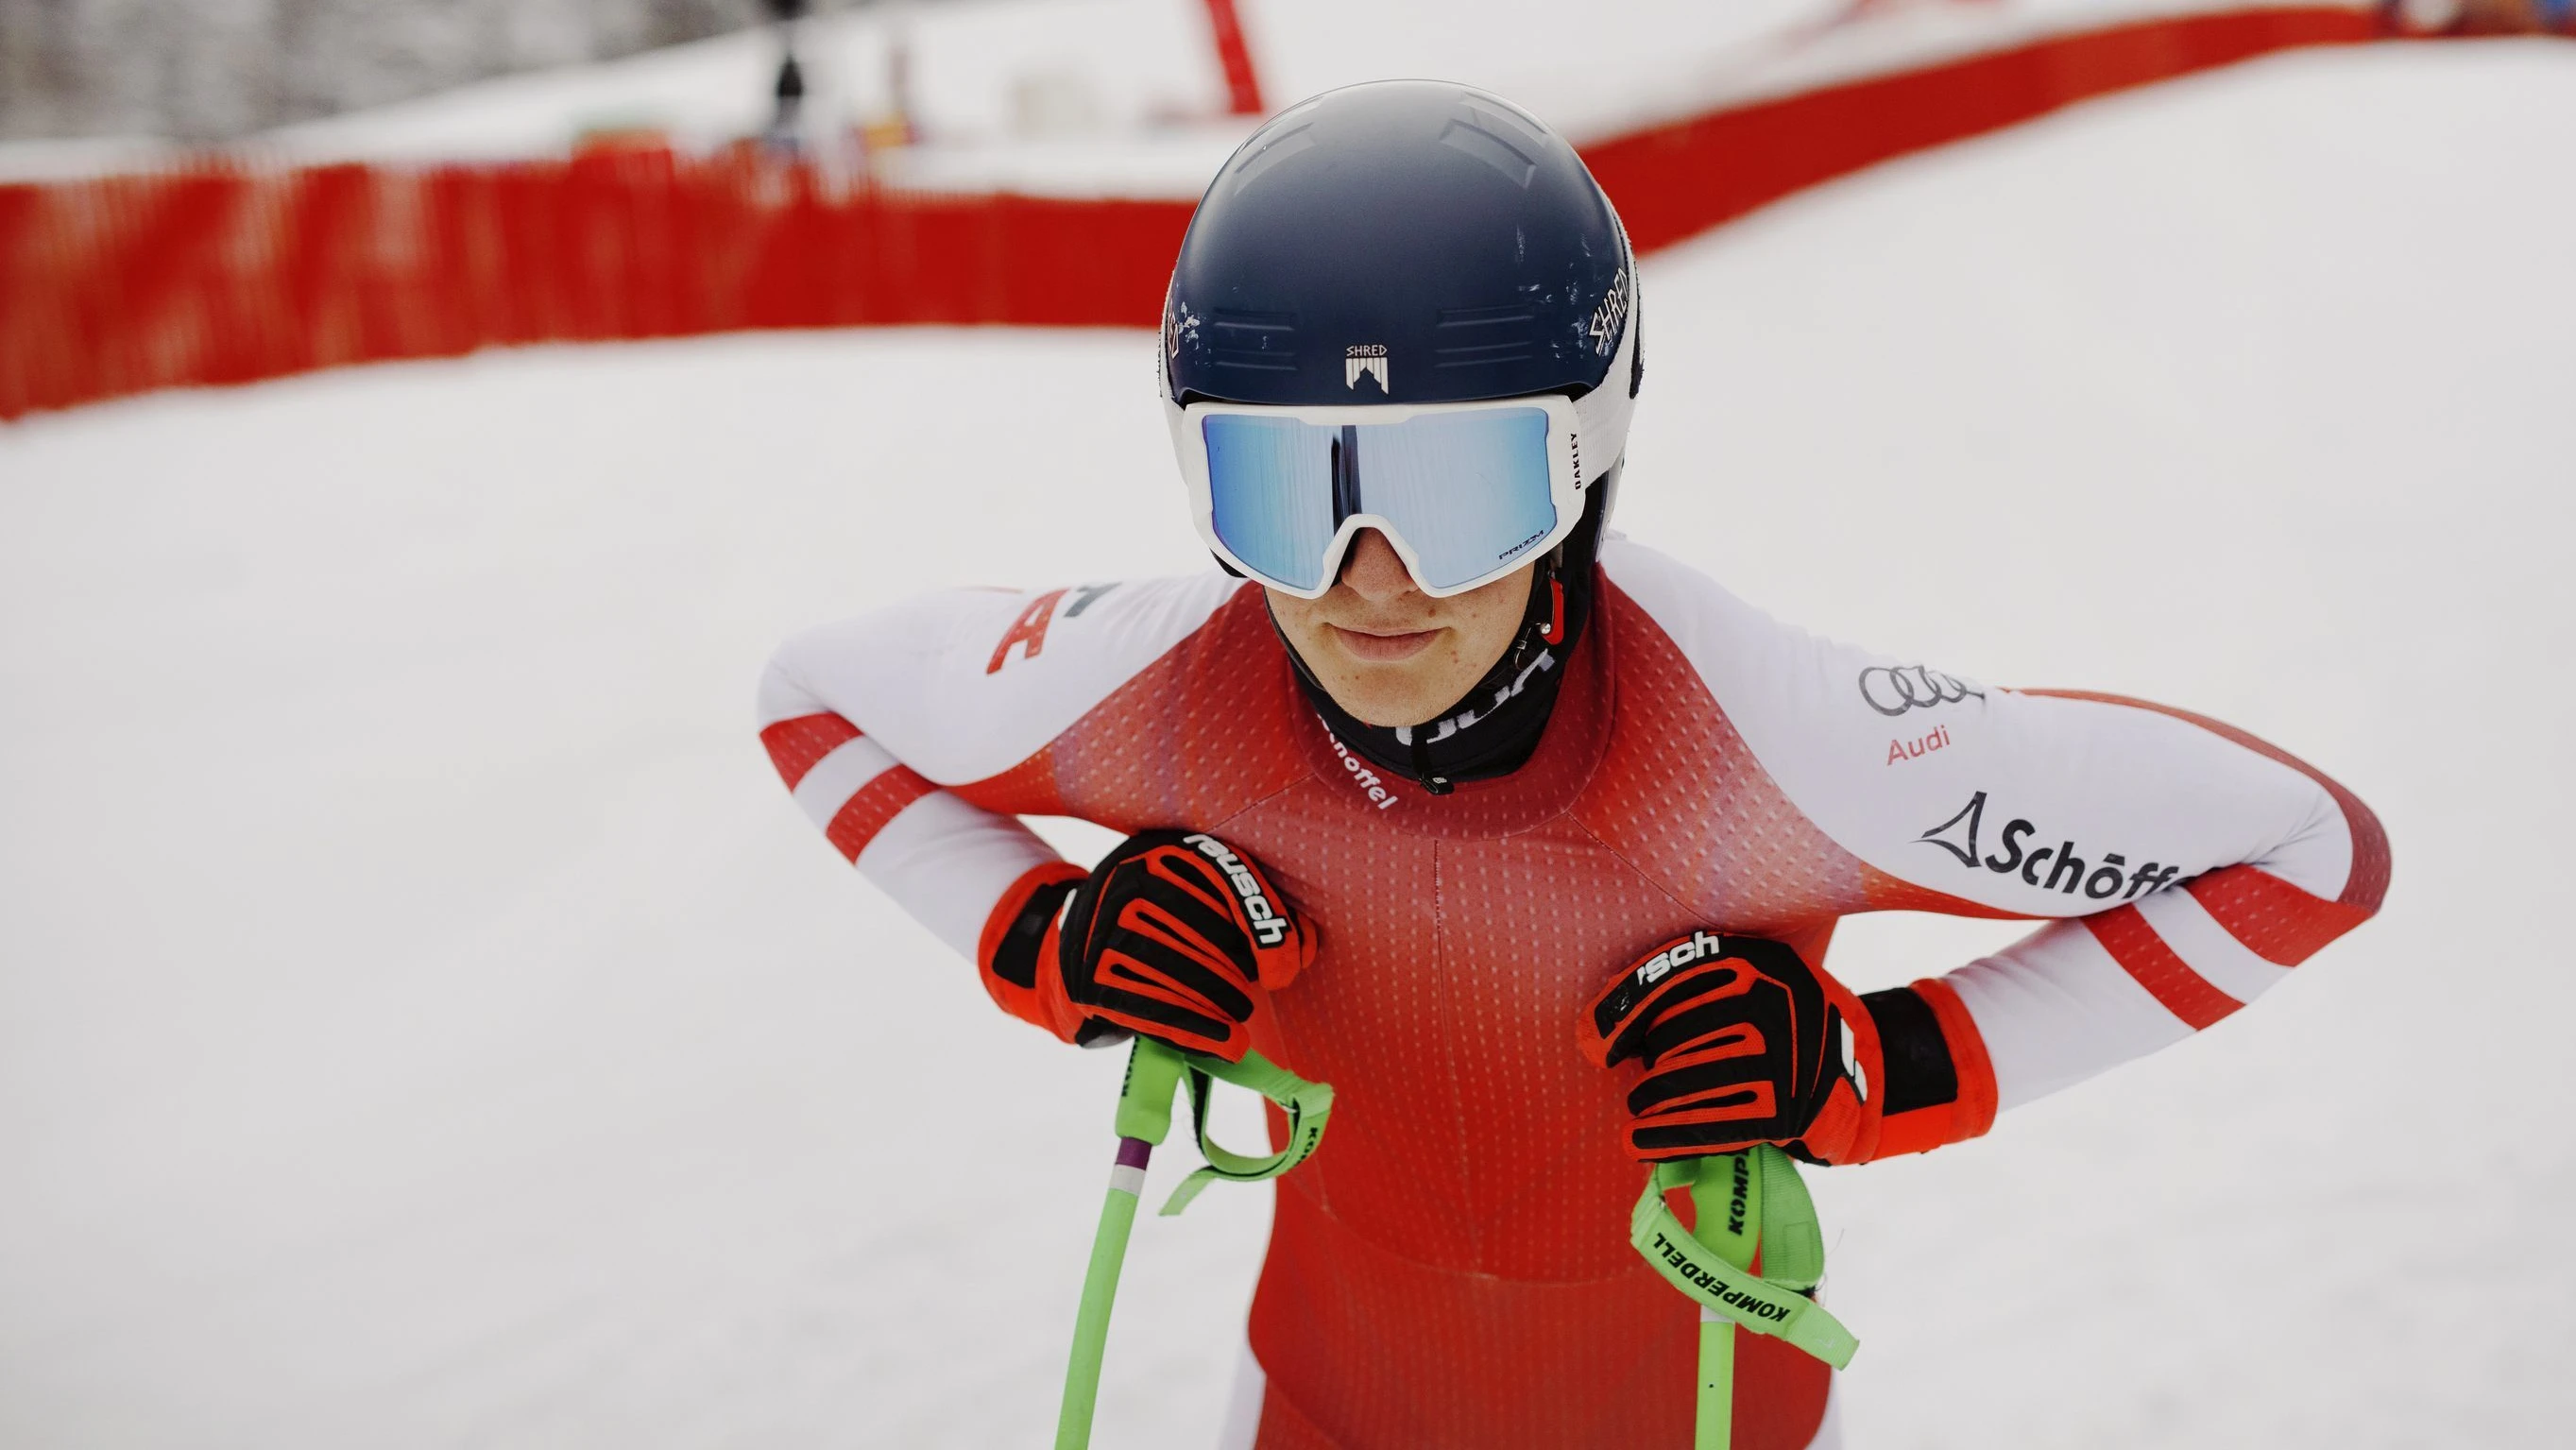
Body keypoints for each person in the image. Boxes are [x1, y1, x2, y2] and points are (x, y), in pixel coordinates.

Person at [757, 81, 2387, 1450]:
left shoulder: (1776, 741)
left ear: (1587, 457)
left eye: (1456, 486)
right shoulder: (1165, 684)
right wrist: (1051, 940)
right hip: (1321, 1412)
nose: (1361, 576)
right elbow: (809, 701)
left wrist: (1869, 1068)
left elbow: (2308, 853)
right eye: (1278, 485)